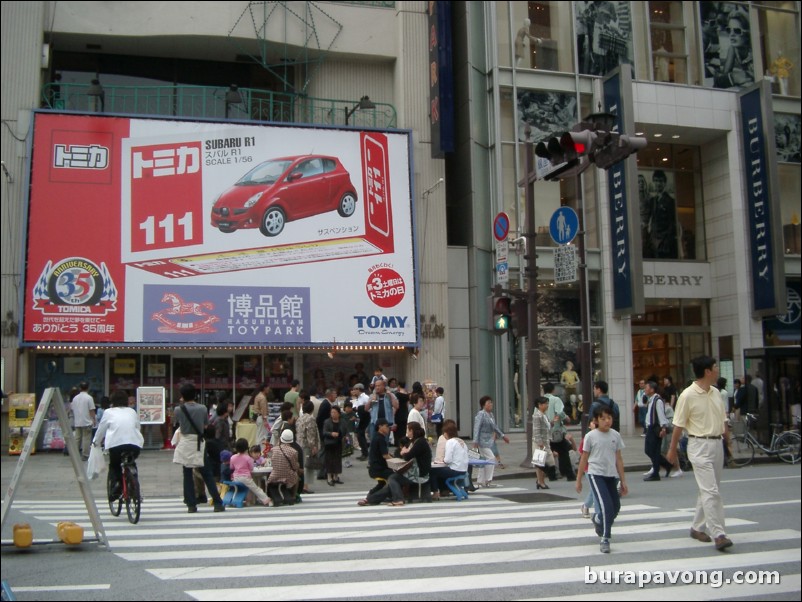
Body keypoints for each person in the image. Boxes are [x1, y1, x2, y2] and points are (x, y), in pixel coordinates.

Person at [666, 355, 733, 551]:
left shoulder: (716, 393)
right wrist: (672, 450)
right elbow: (678, 425)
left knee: (710, 490)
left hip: (716, 443)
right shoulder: (687, 395)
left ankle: (697, 527)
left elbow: (723, 421)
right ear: (707, 371)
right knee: (711, 491)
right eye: (715, 367)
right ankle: (719, 533)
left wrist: (727, 444)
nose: (717, 370)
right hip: (698, 444)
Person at [576, 404, 628, 554]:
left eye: (609, 418)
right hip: (595, 473)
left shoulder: (615, 435)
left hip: (611, 474)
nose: (607, 421)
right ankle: (605, 538)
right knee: (606, 506)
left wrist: (623, 481)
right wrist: (579, 479)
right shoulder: (590, 436)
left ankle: (598, 519)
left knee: (615, 506)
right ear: (596, 420)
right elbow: (584, 458)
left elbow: (619, 459)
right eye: (603, 418)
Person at [173, 383, 225, 513]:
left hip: (185, 441)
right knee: (206, 473)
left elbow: (176, 423)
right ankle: (217, 502)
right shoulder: (202, 408)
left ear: (182, 396)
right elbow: (206, 425)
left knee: (187, 473)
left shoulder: (178, 409)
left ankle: (191, 504)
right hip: (198, 441)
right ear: (195, 394)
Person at [363, 422, 432, 506]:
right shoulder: (417, 442)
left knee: (393, 478)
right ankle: (370, 499)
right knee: (391, 483)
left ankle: (398, 499)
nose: (407, 432)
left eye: (408, 430)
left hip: (418, 474)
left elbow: (407, 456)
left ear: (412, 431)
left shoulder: (420, 443)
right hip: (415, 471)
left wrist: (403, 452)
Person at [93, 389, 144, 502]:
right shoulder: (132, 412)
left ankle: (116, 486)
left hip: (116, 445)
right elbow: (137, 427)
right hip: (134, 444)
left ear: (112, 401)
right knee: (131, 462)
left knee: (115, 465)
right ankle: (135, 489)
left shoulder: (108, 412)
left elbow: (101, 429)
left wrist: (96, 442)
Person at [472, 395, 509, 488]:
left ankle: (481, 481)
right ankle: (488, 480)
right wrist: (475, 440)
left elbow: (495, 427)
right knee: (491, 458)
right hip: (482, 440)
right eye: (488, 403)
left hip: (489, 440)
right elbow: (477, 427)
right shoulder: (481, 414)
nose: (491, 404)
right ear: (483, 405)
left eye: (491, 402)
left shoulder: (491, 415)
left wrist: (503, 436)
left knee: (483, 461)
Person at [642, 380, 675, 481]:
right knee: (649, 450)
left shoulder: (658, 400)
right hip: (650, 428)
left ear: (652, 389)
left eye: (646, 387)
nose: (645, 389)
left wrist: (663, 428)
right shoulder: (651, 399)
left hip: (655, 428)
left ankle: (656, 473)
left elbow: (661, 415)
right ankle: (667, 465)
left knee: (654, 450)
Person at [713, 12, 754, 89]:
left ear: (747, 33)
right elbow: (724, 76)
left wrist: (734, 78)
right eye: (729, 30)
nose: (731, 34)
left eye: (737, 31)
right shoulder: (733, 48)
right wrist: (733, 77)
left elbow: (755, 77)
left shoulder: (754, 51)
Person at [545, 382, 576, 481]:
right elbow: (560, 412)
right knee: (564, 452)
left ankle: (551, 474)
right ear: (553, 390)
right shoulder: (555, 399)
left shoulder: (540, 401)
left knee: (546, 453)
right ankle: (568, 474)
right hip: (556, 431)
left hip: (544, 432)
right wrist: (566, 418)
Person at [429, 421, 468, 500]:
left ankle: (435, 492)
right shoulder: (461, 441)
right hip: (464, 470)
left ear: (446, 433)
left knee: (432, 471)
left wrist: (442, 461)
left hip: (455, 470)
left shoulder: (450, 442)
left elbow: (447, 460)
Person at [230, 437, 270, 506]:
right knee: (256, 489)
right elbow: (251, 468)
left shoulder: (232, 457)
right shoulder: (248, 458)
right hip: (246, 477)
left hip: (236, 477)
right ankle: (266, 499)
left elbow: (231, 467)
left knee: (241, 489)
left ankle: (241, 500)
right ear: (246, 448)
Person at [647, 171, 677, 258]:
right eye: (656, 181)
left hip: (664, 242)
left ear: (664, 183)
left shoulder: (670, 201)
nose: (658, 184)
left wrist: (666, 240)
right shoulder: (653, 201)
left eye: (660, 181)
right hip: (654, 241)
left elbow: (672, 223)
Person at [267, 429, 301, 506]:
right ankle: (293, 496)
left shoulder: (274, 449)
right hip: (288, 476)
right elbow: (295, 467)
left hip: (274, 475)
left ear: (281, 438)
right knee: (296, 476)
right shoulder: (293, 451)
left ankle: (270, 496)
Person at [296, 399, 320, 495]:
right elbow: (310, 433)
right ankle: (305, 486)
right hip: (306, 444)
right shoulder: (310, 419)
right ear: (312, 409)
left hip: (299, 443)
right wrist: (313, 446)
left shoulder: (299, 418)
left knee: (302, 464)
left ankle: (302, 484)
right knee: (307, 466)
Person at [531, 396, 554, 490]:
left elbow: (546, 427)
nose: (547, 405)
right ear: (539, 405)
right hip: (540, 443)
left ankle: (540, 481)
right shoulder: (537, 415)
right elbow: (536, 430)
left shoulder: (544, 415)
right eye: (545, 403)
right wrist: (540, 442)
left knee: (546, 462)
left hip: (546, 442)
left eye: (547, 403)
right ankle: (541, 482)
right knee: (540, 463)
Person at [322, 405, 347, 486]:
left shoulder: (342, 421)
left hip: (339, 443)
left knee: (337, 459)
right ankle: (329, 477)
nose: (333, 414)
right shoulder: (327, 421)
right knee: (329, 460)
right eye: (332, 412)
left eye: (335, 412)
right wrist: (331, 434)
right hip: (329, 443)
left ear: (339, 413)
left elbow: (345, 431)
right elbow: (324, 432)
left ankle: (336, 476)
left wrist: (342, 435)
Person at [72, 381, 96, 460]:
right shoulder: (89, 398)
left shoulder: (75, 398)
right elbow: (91, 410)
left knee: (77, 438)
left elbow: (72, 408)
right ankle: (85, 455)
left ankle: (75, 454)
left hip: (77, 421)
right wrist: (94, 419)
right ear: (88, 388)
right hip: (86, 421)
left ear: (80, 388)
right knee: (86, 438)